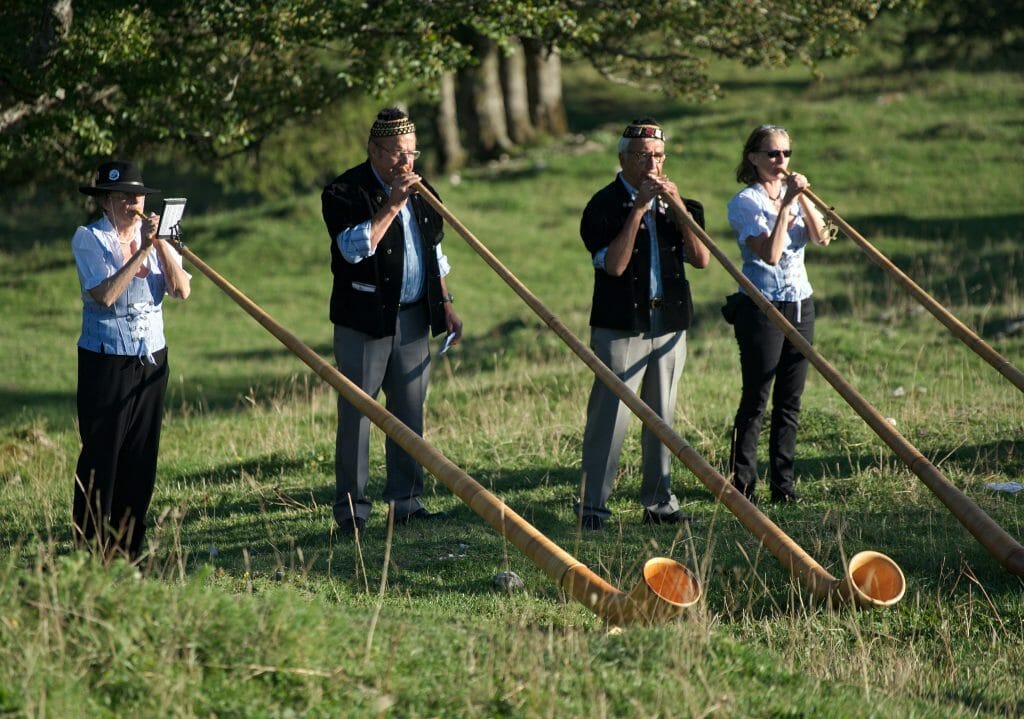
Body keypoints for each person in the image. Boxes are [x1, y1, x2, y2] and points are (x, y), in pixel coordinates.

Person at [321, 107, 463, 537]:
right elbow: (352, 248)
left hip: (414, 316)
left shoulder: (425, 192)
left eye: (412, 153)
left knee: (408, 413)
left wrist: (447, 302)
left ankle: (405, 500)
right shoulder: (344, 190)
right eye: (398, 154)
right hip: (365, 320)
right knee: (358, 413)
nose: (407, 163)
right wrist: (392, 203)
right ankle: (352, 511)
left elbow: (434, 251)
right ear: (375, 151)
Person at [576, 117, 710, 530]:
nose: (652, 165)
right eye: (642, 156)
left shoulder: (683, 205)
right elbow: (614, 266)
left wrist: (680, 209)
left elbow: (702, 259)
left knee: (662, 415)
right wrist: (638, 210)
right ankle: (592, 507)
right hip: (621, 325)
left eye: (658, 156)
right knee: (610, 416)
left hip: (667, 323)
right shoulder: (602, 205)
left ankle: (659, 502)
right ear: (623, 159)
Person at [72, 160, 191, 560]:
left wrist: (160, 246)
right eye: (122, 196)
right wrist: (141, 249)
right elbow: (105, 295)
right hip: (106, 363)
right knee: (101, 458)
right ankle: (90, 554)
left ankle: (127, 555)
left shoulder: (159, 239)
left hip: (152, 361)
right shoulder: (89, 239)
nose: (131, 202)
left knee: (140, 461)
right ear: (106, 202)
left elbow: (180, 291)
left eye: (136, 195)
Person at [726, 124, 828, 504]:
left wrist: (802, 200)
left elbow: (820, 238)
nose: (780, 161)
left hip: (801, 302)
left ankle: (783, 486)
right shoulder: (745, 203)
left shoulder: (796, 194)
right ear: (753, 158)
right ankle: (742, 486)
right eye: (772, 154)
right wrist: (785, 206)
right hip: (761, 305)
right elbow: (769, 254)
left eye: (785, 153)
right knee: (756, 397)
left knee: (790, 400)